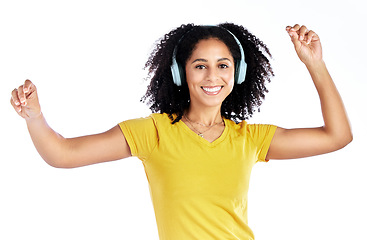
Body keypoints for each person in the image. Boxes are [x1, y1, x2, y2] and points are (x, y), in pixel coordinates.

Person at [10, 23, 352, 239]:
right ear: (180, 74)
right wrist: (34, 116)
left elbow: (337, 136)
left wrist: (315, 64)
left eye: (223, 65)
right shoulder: (153, 133)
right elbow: (62, 154)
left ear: (238, 72)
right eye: (200, 66)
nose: (212, 77)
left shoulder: (249, 138)